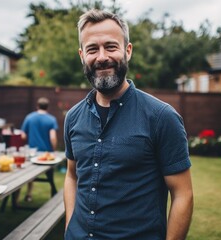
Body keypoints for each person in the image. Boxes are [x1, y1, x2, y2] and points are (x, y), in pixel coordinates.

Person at [63, 9, 193, 239]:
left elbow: (183, 194)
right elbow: (72, 176)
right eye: (92, 49)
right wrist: (69, 227)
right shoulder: (73, 117)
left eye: (111, 46)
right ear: (82, 55)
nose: (102, 57)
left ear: (128, 50)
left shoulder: (161, 117)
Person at [18, 97, 58, 203]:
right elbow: (53, 137)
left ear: (37, 106)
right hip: (46, 155)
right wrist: (54, 151)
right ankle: (53, 197)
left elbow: (22, 136)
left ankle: (28, 195)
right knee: (50, 177)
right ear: (47, 107)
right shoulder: (51, 119)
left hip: (32, 152)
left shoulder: (29, 117)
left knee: (29, 176)